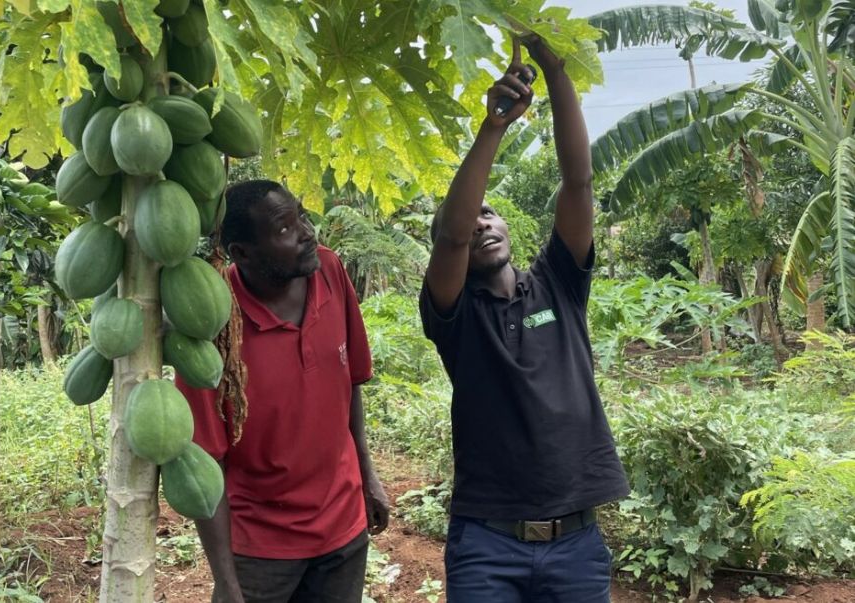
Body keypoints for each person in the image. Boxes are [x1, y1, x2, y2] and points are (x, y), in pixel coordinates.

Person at [419, 37, 630, 602]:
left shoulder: (559, 283)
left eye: (491, 213)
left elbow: (579, 181)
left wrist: (555, 68)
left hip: (577, 543)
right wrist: (493, 126)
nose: (481, 224)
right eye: (472, 218)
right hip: (487, 545)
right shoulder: (454, 313)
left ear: (509, 224)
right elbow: (452, 233)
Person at [176, 179, 389, 603]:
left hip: (343, 530)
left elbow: (349, 384)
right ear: (242, 253)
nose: (308, 233)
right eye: (284, 229)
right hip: (261, 550)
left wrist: (368, 475)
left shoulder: (329, 270)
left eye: (301, 217)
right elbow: (208, 462)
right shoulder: (214, 328)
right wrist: (226, 581)